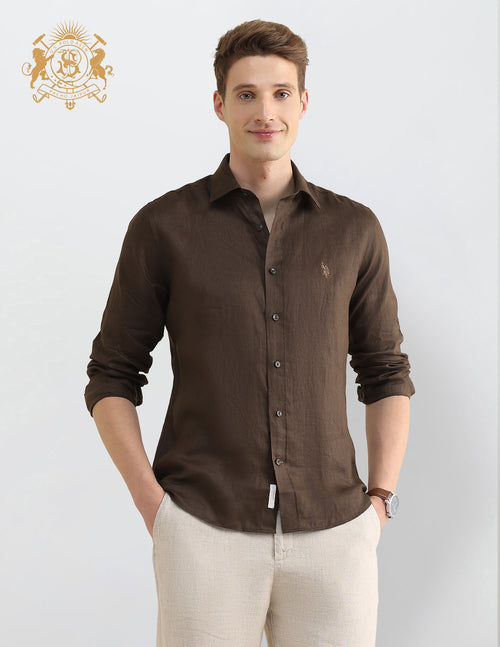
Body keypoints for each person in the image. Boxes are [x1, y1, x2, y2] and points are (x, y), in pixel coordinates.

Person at [84, 18, 415, 647]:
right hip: (203, 529)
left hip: (336, 534)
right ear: (219, 104)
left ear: (304, 102)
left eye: (281, 93)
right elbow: (111, 376)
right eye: (246, 94)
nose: (266, 112)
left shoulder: (354, 230)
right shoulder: (163, 226)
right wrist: (154, 505)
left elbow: (385, 372)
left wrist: (380, 502)